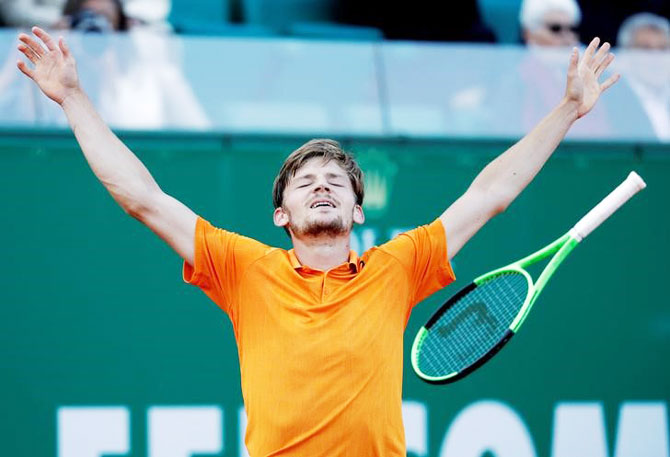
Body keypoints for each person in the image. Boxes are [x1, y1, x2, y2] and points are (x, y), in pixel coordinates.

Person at [16, 26, 618, 456]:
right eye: (306, 182)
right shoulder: (241, 267)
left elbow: (490, 194)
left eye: (336, 181)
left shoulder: (400, 264)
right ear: (281, 214)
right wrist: (71, 97)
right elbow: (141, 197)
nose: (322, 186)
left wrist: (567, 108)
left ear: (358, 208)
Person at [616, 13, 670, 140]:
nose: (656, 57)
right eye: (646, 49)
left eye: (663, 49)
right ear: (625, 54)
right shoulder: (613, 99)